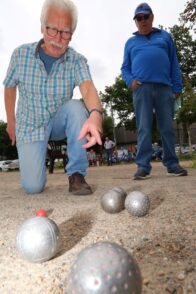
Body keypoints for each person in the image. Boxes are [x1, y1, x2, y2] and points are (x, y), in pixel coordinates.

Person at [3, 0, 103, 195]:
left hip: (58, 121)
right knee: (33, 187)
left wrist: (96, 115)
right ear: (42, 27)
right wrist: (11, 121)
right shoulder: (20, 55)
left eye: (65, 32)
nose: (58, 38)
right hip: (30, 125)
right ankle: (36, 169)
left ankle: (76, 174)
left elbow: (88, 88)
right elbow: (9, 87)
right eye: (52, 30)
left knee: (76, 107)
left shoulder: (76, 60)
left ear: (71, 35)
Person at [121, 2, 187, 180]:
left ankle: (172, 164)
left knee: (167, 127)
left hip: (164, 88)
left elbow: (174, 63)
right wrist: (130, 81)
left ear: (152, 17)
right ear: (135, 22)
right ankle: (143, 166)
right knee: (143, 128)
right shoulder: (130, 42)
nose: (142, 21)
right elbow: (125, 68)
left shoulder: (165, 37)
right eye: (139, 18)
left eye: (145, 17)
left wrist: (177, 86)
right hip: (141, 89)